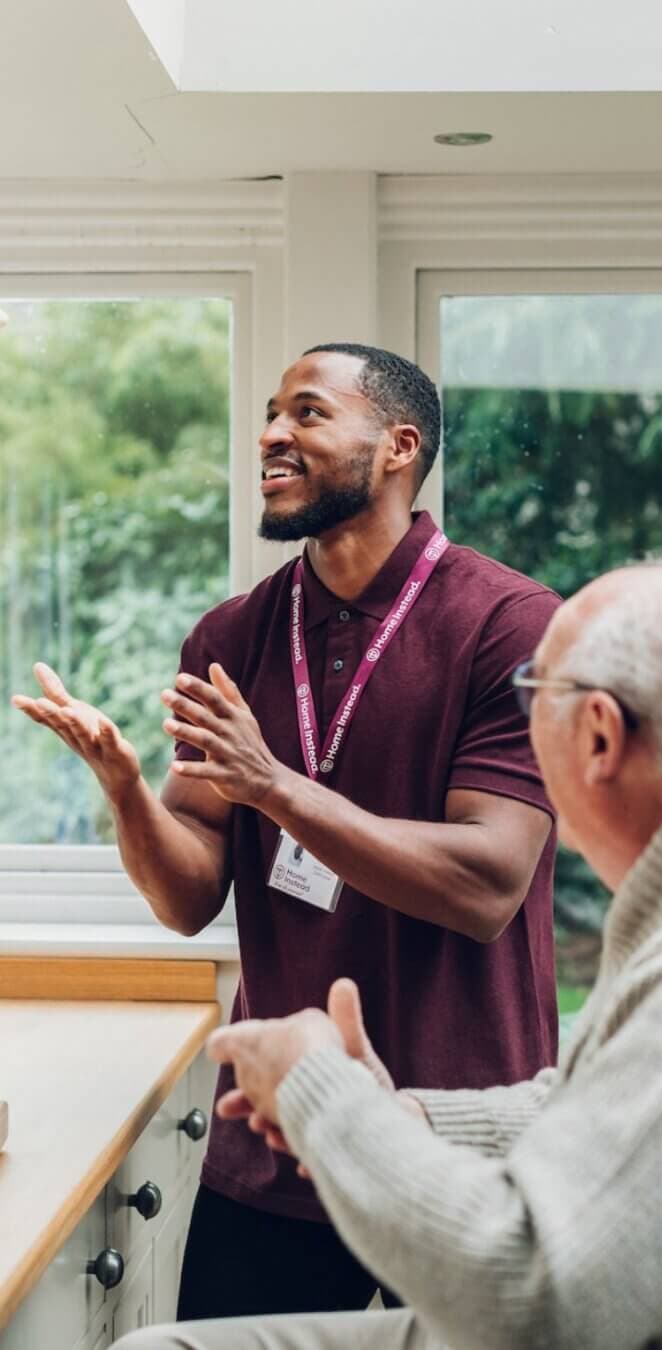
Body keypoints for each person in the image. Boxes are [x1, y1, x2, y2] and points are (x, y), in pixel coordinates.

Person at [119, 556, 662, 1350]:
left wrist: (324, 1096)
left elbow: (529, 1303)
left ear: (601, 736)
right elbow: (651, 1109)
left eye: (534, 694)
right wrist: (420, 1121)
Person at [12, 343, 561, 1320]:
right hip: (270, 1154)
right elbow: (187, 898)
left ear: (397, 446)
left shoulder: (511, 624)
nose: (271, 433)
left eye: (308, 413)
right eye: (270, 412)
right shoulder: (231, 638)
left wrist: (274, 785)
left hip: (455, 1150)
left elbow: (487, 886)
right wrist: (130, 793)